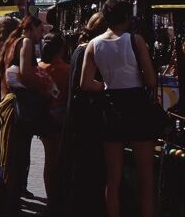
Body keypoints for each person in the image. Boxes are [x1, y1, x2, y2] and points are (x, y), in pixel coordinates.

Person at [81, 0, 157, 217]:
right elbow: (151, 80)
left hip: (111, 107)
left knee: (112, 177)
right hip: (137, 106)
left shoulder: (93, 44)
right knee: (146, 176)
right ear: (126, 17)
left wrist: (105, 85)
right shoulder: (135, 40)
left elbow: (85, 83)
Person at [0, 15, 45, 216]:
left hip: (8, 101)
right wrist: (43, 86)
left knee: (11, 156)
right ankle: (3, 202)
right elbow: (25, 73)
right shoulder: (25, 42)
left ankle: (3, 201)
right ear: (31, 28)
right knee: (16, 157)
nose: (42, 36)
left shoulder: (12, 42)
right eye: (41, 31)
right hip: (18, 105)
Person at [61, 11, 107, 216]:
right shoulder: (90, 50)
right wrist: (107, 86)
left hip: (76, 117)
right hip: (85, 119)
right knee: (85, 169)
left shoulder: (79, 49)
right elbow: (86, 84)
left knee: (76, 167)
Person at [37, 32, 70, 216]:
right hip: (62, 117)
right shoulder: (67, 69)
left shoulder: (40, 68)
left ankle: (51, 199)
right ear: (62, 49)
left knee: (49, 160)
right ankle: (58, 198)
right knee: (59, 160)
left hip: (44, 117)